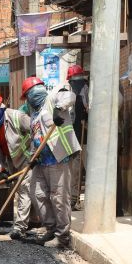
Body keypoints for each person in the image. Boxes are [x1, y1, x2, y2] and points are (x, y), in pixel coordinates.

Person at [22, 76, 81, 250]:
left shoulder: (52, 98)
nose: (27, 100)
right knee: (37, 193)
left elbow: (70, 96)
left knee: (58, 197)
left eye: (27, 96)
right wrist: (32, 157)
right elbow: (36, 137)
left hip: (58, 158)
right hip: (41, 161)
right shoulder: (34, 113)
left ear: (33, 92)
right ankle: (51, 228)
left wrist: (58, 109)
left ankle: (62, 237)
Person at [0, 89, 32, 240]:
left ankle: (19, 228)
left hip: (27, 158)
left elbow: (37, 130)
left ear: (0, 107)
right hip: (9, 161)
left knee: (24, 189)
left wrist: (35, 155)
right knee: (21, 192)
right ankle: (32, 222)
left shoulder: (17, 117)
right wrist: (0, 168)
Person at [66, 64, 89, 208]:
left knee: (80, 167)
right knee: (75, 168)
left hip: (84, 135)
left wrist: (85, 117)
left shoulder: (83, 90)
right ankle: (74, 199)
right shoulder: (73, 93)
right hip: (76, 135)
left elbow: (87, 109)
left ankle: (76, 198)